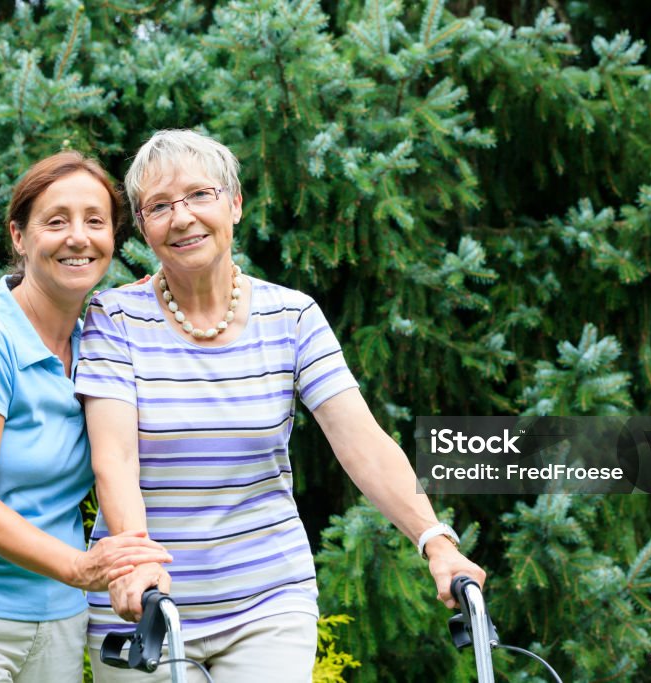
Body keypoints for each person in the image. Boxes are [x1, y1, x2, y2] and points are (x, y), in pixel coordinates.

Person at [76, 130, 487, 682]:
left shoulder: (292, 317)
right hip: (143, 604)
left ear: (235, 203)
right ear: (144, 226)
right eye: (159, 206)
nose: (182, 217)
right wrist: (138, 561)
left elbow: (361, 442)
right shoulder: (114, 318)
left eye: (200, 195)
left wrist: (435, 539)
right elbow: (114, 458)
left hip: (268, 600)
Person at [0, 151, 172, 682]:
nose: (78, 237)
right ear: (19, 237)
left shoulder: (100, 339)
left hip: (58, 621)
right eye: (56, 221)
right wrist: (78, 567)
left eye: (95, 221)